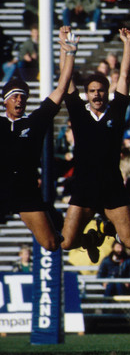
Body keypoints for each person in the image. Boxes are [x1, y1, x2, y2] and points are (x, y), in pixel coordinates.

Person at [61, 28, 130, 263]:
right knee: (66, 243)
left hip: (112, 186)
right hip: (84, 187)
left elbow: (124, 76)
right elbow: (65, 79)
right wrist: (65, 47)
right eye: (92, 91)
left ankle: (105, 228)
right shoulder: (78, 112)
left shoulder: (116, 111)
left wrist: (127, 44)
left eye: (101, 91)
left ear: (107, 92)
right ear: (86, 94)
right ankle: (90, 239)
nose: (96, 95)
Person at [0, 27, 76, 252]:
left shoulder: (34, 122)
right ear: (5, 102)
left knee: (51, 244)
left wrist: (69, 53)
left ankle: (86, 239)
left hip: (26, 192)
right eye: (15, 96)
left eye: (23, 97)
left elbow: (61, 89)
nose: (19, 100)